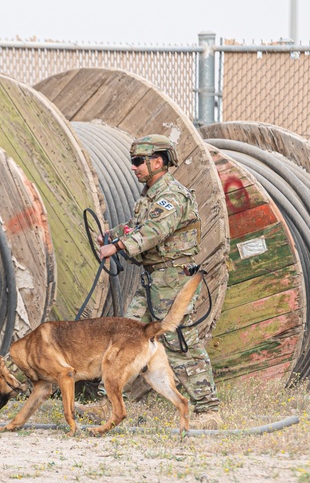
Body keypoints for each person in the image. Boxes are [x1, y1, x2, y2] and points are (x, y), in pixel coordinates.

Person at [84, 134, 221, 430]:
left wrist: (117, 247)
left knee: (178, 338)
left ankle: (208, 409)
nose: (133, 168)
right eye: (133, 162)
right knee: (122, 337)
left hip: (171, 279)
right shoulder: (150, 195)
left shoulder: (171, 195)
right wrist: (113, 234)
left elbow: (156, 230)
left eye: (138, 162)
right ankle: (108, 403)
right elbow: (139, 226)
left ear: (157, 162)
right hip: (153, 279)